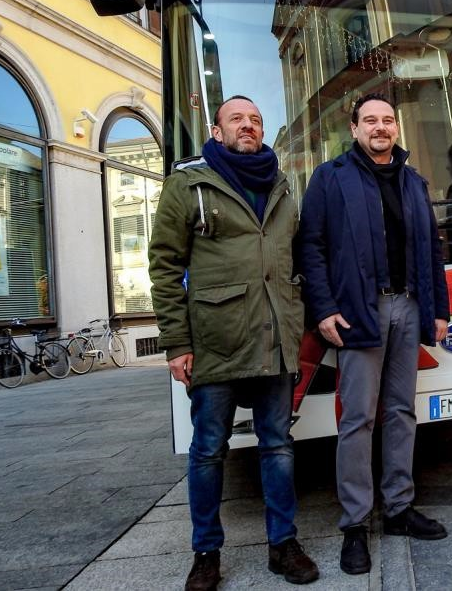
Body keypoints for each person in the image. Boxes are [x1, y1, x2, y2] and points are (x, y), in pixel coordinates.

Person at [149, 96, 319, 590]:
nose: (248, 126)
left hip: (275, 339)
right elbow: (164, 267)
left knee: (278, 445)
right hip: (215, 340)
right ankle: (206, 553)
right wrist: (176, 342)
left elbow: (295, 259)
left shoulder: (280, 184)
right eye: (237, 119)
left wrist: (298, 319)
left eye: (256, 120)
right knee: (208, 449)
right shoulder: (188, 184)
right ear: (216, 130)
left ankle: (283, 544)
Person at [298, 93, 451, 575]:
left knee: (402, 411)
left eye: (387, 120)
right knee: (358, 419)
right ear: (355, 128)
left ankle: (399, 508)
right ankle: (355, 525)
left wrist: (438, 310)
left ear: (396, 128)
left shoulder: (413, 181)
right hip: (358, 312)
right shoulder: (330, 178)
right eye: (370, 120)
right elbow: (311, 247)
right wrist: (323, 309)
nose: (380, 127)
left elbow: (432, 249)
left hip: (409, 306)